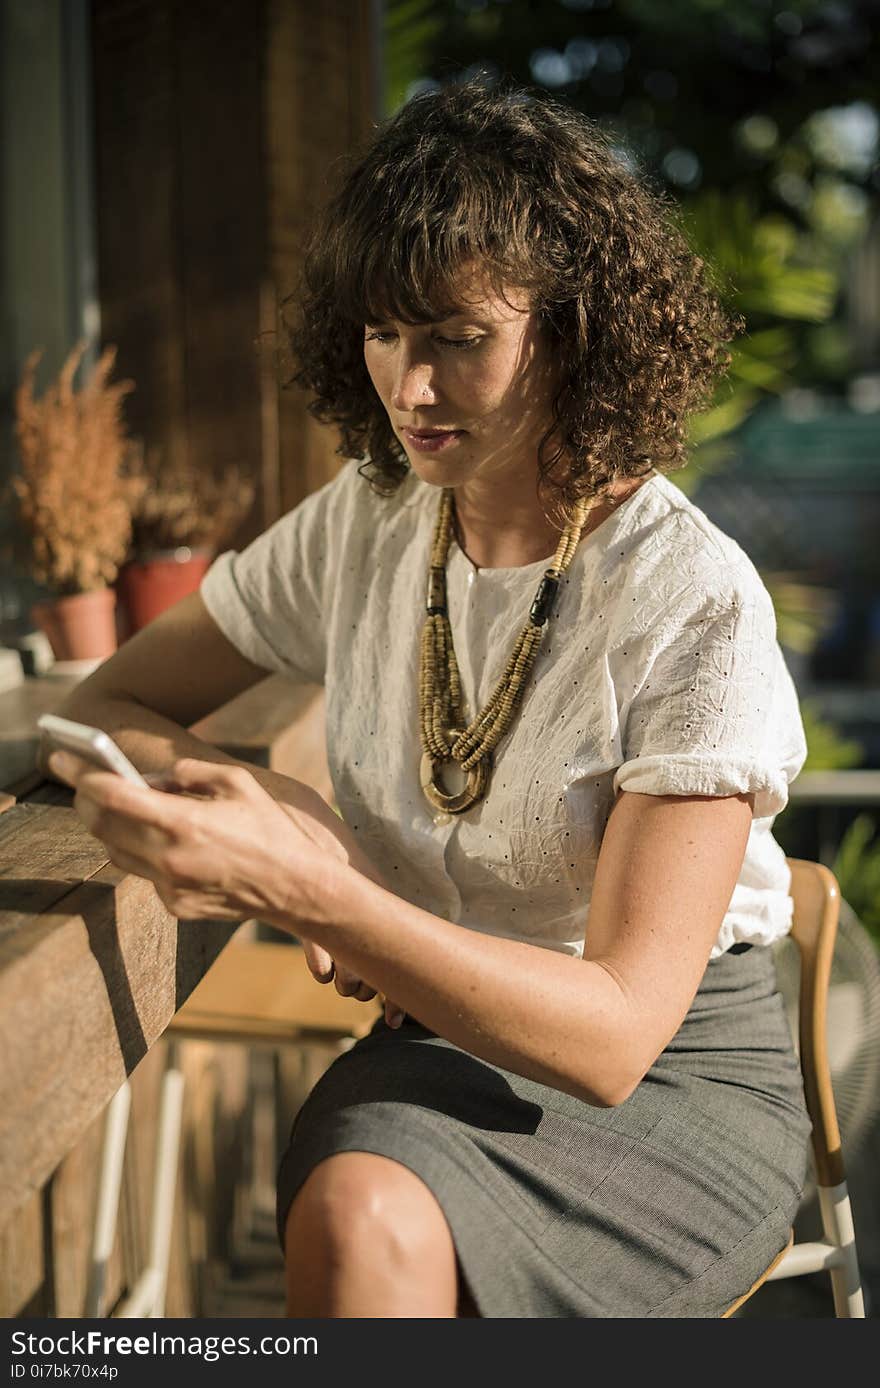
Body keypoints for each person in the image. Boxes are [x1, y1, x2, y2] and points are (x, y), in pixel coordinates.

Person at [48, 80, 812, 1318]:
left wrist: (320, 894)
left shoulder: (691, 599)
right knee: (358, 1211)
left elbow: (615, 1038)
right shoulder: (370, 520)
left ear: (570, 330)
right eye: (383, 334)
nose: (411, 387)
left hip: (671, 1081)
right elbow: (111, 698)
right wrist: (272, 796)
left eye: (458, 338)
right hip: (443, 1043)